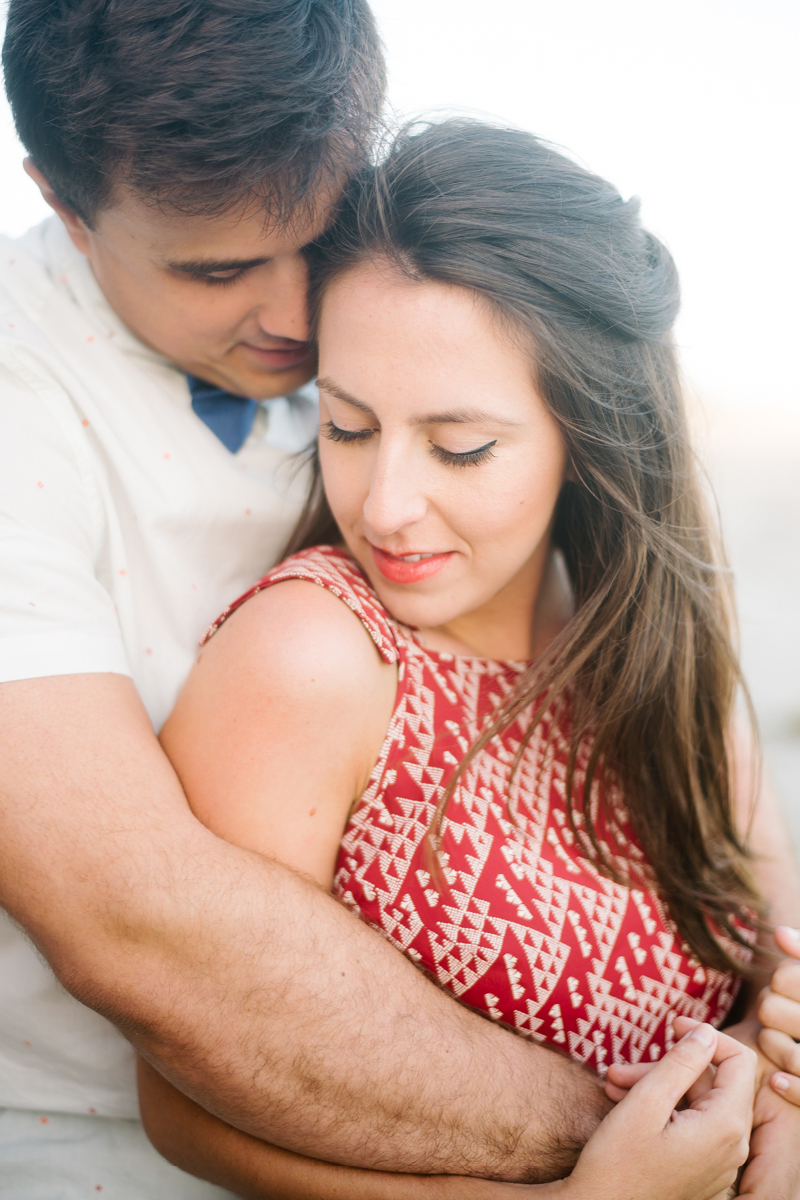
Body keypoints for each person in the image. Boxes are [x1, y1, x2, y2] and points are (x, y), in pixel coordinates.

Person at [0, 4, 650, 1196]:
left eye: (321, 233)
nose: (300, 321)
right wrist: (624, 1124)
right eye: (217, 268)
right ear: (63, 204)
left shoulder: (384, 312)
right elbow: (137, 928)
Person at [141, 120, 800, 1197]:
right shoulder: (313, 656)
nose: (386, 506)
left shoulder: (655, 654)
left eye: (460, 447)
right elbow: (184, 1106)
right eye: (348, 427)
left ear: (585, 435)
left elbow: (771, 966)